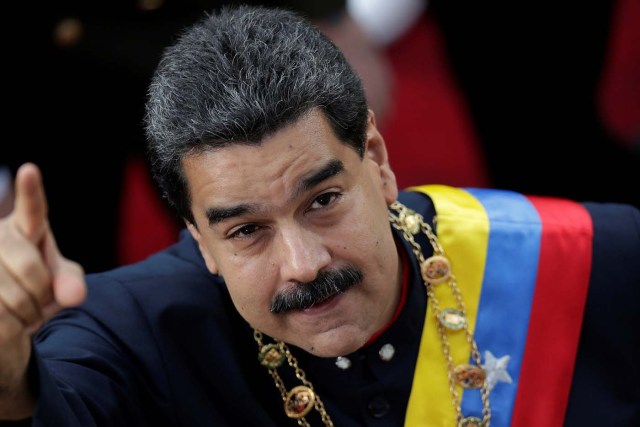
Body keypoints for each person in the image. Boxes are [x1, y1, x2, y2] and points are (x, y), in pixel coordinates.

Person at [0, 5, 638, 426]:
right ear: (198, 240)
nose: (306, 265)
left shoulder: (592, 259)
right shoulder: (130, 334)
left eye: (323, 201)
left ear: (379, 163)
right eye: (246, 231)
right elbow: (48, 401)